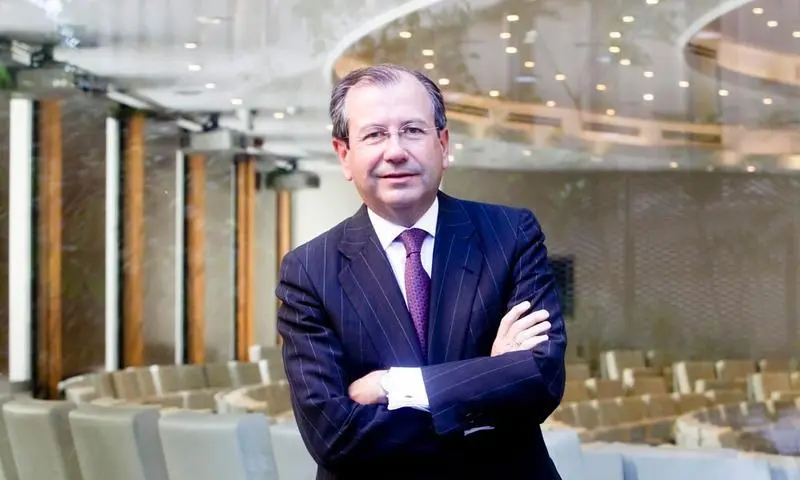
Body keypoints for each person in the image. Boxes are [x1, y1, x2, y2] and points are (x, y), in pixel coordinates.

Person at [275, 63, 567, 479]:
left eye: (412, 130)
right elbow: (334, 435)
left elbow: (540, 377)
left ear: (443, 145)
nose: (395, 151)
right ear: (344, 155)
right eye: (374, 134)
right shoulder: (308, 271)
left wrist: (394, 387)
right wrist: (487, 379)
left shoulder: (510, 234)